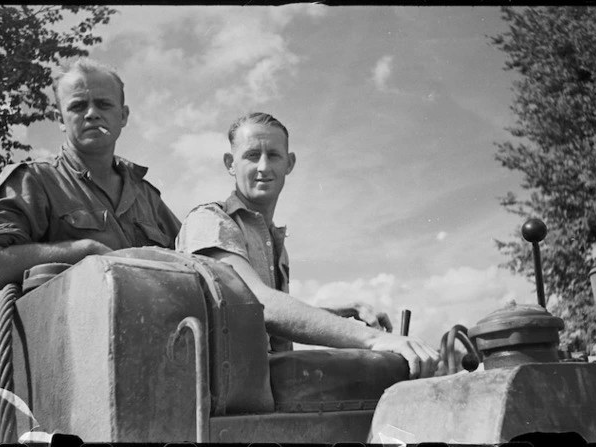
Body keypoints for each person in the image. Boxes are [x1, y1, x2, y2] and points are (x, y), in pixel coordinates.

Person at [176, 112, 440, 379]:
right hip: (216, 396)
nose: (264, 167)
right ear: (230, 163)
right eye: (252, 155)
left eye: (274, 155)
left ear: (289, 163)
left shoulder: (273, 241)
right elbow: (256, 303)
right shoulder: (211, 221)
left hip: (257, 387)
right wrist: (374, 339)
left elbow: (273, 325)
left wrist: (340, 312)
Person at [0, 58, 181, 295]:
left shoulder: (147, 196)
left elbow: (193, 262)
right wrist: (83, 251)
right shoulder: (33, 181)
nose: (92, 113)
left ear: (123, 116)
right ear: (59, 119)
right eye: (78, 106)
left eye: (104, 104)